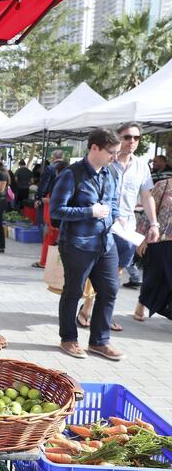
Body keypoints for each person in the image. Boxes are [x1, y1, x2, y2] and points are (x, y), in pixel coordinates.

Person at [50, 128, 123, 361]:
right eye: (111, 152)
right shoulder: (71, 174)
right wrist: (89, 211)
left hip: (105, 242)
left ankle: (99, 342)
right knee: (74, 292)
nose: (115, 157)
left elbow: (111, 203)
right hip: (77, 244)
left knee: (110, 291)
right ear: (95, 148)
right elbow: (56, 211)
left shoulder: (111, 172)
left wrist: (117, 216)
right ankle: (68, 338)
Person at [77, 123, 159, 328]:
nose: (132, 141)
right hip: (101, 224)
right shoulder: (105, 161)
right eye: (128, 137)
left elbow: (146, 195)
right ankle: (87, 308)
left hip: (127, 228)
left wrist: (154, 223)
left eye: (137, 138)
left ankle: (102, 312)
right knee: (97, 269)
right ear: (118, 138)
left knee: (117, 271)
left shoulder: (141, 166)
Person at [134, 177, 172, 321]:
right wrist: (142, 239)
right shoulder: (163, 185)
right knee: (153, 277)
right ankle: (142, 303)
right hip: (160, 240)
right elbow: (148, 213)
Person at [33, 150, 66, 267]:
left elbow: (44, 185)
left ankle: (45, 260)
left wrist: (39, 198)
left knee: (48, 231)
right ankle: (55, 261)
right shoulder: (69, 168)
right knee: (59, 232)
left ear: (53, 157)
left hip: (50, 200)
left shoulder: (50, 168)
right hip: (64, 202)